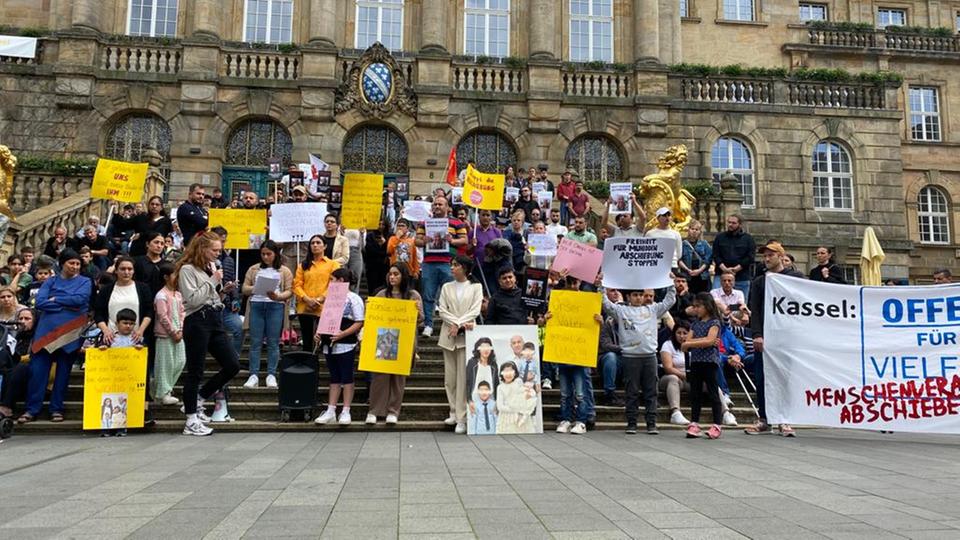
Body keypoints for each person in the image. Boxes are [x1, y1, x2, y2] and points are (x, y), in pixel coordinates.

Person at [176, 231, 241, 436]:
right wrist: (213, 281)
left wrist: (224, 290)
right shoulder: (187, 270)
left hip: (214, 318)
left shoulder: (209, 268)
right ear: (202, 249)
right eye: (214, 250)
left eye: (219, 250)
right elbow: (193, 299)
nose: (217, 254)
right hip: (197, 320)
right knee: (195, 370)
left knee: (232, 364)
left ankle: (200, 397)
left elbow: (209, 295)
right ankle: (191, 420)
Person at [21, 249, 93, 424]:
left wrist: (55, 300)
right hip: (46, 332)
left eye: (77, 264)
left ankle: (56, 409)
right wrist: (66, 303)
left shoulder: (85, 281)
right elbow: (40, 302)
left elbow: (81, 301)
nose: (75, 267)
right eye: (71, 263)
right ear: (62, 264)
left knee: (63, 374)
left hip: (70, 333)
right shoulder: (50, 281)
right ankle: (32, 409)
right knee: (37, 373)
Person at [745, 240, 805, 437]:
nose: (767, 258)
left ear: (781, 256)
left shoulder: (794, 278)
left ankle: (784, 419)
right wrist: (757, 334)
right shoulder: (759, 281)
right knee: (762, 378)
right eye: (765, 255)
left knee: (785, 378)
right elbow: (755, 310)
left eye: (771, 255)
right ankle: (764, 417)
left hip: (787, 337)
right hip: (766, 337)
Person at [602, 284, 676, 435]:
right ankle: (631, 423)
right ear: (628, 297)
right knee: (632, 391)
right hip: (630, 357)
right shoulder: (621, 311)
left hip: (649, 356)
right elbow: (605, 304)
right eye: (635, 295)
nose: (638, 298)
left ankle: (651, 423)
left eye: (640, 295)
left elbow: (669, 301)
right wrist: (600, 287)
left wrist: (671, 284)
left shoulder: (653, 309)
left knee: (651, 391)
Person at [367, 264, 423, 425]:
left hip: (404, 341)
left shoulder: (413, 295)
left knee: (398, 378)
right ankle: (374, 410)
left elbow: (420, 320)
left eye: (396, 274)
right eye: (390, 274)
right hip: (383, 341)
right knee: (379, 377)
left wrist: (418, 310)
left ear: (403, 276)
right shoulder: (382, 294)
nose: (392, 277)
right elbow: (372, 317)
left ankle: (393, 411)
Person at [437, 255, 483, 434]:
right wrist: (455, 323)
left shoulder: (476, 287)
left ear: (465, 268)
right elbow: (442, 310)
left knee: (464, 378)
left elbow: (475, 310)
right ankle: (453, 412)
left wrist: (460, 324)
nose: (452, 268)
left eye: (456, 265)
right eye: (452, 265)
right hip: (448, 334)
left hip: (467, 335)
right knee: (450, 378)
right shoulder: (447, 287)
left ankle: (462, 417)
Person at [313, 268, 364, 426]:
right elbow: (325, 318)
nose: (330, 282)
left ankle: (346, 410)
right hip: (329, 342)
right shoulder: (329, 298)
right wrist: (319, 334)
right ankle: (331, 409)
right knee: (334, 376)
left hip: (346, 342)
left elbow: (359, 321)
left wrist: (343, 334)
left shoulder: (353, 299)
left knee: (346, 375)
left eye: (332, 279)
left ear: (341, 281)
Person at [241, 240, 294, 389]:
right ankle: (253, 374)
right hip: (257, 305)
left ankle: (271, 374)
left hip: (275, 306)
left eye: (269, 254)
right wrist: (256, 288)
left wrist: (278, 296)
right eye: (263, 254)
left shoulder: (284, 271)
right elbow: (244, 288)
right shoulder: (253, 269)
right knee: (255, 342)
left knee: (273, 342)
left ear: (275, 254)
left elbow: (290, 290)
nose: (265, 257)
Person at [415, 197, 467, 337]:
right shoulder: (423, 222)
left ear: (447, 207)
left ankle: (452, 324)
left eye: (440, 204)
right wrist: (423, 240)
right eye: (435, 204)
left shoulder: (457, 222)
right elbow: (416, 241)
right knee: (428, 295)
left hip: (449, 263)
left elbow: (464, 240)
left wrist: (452, 240)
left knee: (452, 295)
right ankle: (428, 325)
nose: (437, 206)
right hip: (429, 264)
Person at [681, 293, 724, 439]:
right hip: (696, 362)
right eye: (694, 306)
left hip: (710, 362)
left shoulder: (714, 323)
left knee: (713, 392)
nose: (696, 309)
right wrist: (701, 342)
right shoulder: (695, 324)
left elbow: (709, 340)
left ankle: (717, 423)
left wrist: (692, 343)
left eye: (698, 306)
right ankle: (694, 422)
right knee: (695, 393)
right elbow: (688, 342)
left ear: (707, 306)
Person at [294, 233, 340, 352]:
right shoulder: (303, 265)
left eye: (318, 243)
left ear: (325, 246)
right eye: (312, 243)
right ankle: (308, 369)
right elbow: (297, 284)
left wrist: (320, 299)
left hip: (326, 308)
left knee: (326, 341)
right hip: (305, 307)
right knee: (307, 341)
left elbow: (335, 284)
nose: (315, 245)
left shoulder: (333, 264)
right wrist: (306, 299)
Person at [153, 262, 185, 406]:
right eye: (174, 274)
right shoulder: (161, 295)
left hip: (179, 333)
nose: (177, 277)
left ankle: (161, 387)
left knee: (180, 361)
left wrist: (181, 329)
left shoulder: (178, 294)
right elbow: (162, 316)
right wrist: (173, 332)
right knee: (166, 363)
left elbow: (183, 312)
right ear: (166, 277)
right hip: (165, 335)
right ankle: (164, 392)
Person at [0, 308, 36, 420]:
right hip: (11, 371)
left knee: (19, 368)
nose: (23, 321)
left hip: (30, 373)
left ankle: (6, 406)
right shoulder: (14, 336)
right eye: (20, 318)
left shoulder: (38, 336)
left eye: (27, 319)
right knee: (3, 354)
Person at [711, 214, 756, 298]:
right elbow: (715, 255)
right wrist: (724, 269)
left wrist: (736, 268)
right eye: (729, 222)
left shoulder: (748, 239)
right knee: (716, 301)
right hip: (721, 274)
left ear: (740, 224)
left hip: (741, 277)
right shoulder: (720, 237)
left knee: (740, 305)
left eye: (733, 223)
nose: (730, 225)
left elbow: (750, 257)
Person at [659, 320, 691, 425]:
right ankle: (675, 412)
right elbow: (668, 368)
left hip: (690, 380)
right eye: (679, 333)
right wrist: (685, 375)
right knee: (673, 378)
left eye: (685, 333)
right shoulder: (668, 345)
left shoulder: (694, 345)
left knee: (709, 380)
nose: (682, 336)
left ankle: (725, 412)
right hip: (670, 378)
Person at [495, 361, 537, 434]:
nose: (508, 375)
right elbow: (500, 406)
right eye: (505, 372)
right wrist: (514, 409)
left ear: (515, 373)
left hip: (520, 415)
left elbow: (523, 397)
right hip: (506, 417)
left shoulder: (518, 382)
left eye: (511, 371)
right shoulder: (500, 387)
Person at [465, 337, 499, 422]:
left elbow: (496, 383)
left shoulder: (493, 365)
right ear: (478, 350)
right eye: (483, 347)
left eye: (488, 347)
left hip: (491, 400)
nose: (485, 350)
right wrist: (469, 401)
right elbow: (467, 383)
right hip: (475, 400)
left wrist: (497, 402)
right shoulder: (472, 363)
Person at [598, 297, 623, 406]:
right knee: (611, 356)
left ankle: (649, 395)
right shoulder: (607, 325)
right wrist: (624, 348)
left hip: (628, 359)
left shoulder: (634, 325)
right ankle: (609, 393)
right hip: (609, 361)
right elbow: (606, 345)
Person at [679, 220, 712, 294]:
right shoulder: (682, 244)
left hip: (702, 276)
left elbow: (708, 260)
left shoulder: (704, 244)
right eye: (692, 229)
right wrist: (687, 269)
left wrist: (699, 270)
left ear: (700, 231)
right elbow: (679, 259)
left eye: (697, 229)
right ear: (688, 230)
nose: (694, 231)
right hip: (687, 275)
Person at [363, 223, 389, 294]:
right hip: (372, 266)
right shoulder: (370, 236)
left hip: (384, 266)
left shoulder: (389, 235)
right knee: (372, 287)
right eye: (379, 224)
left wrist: (384, 244)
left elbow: (389, 251)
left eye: (383, 224)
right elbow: (369, 250)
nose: (381, 226)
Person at [343, 228, 364, 293]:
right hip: (342, 250)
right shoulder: (341, 225)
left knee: (355, 277)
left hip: (355, 251)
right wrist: (340, 232)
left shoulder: (361, 226)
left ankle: (354, 299)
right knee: (342, 276)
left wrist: (362, 234)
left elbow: (363, 246)